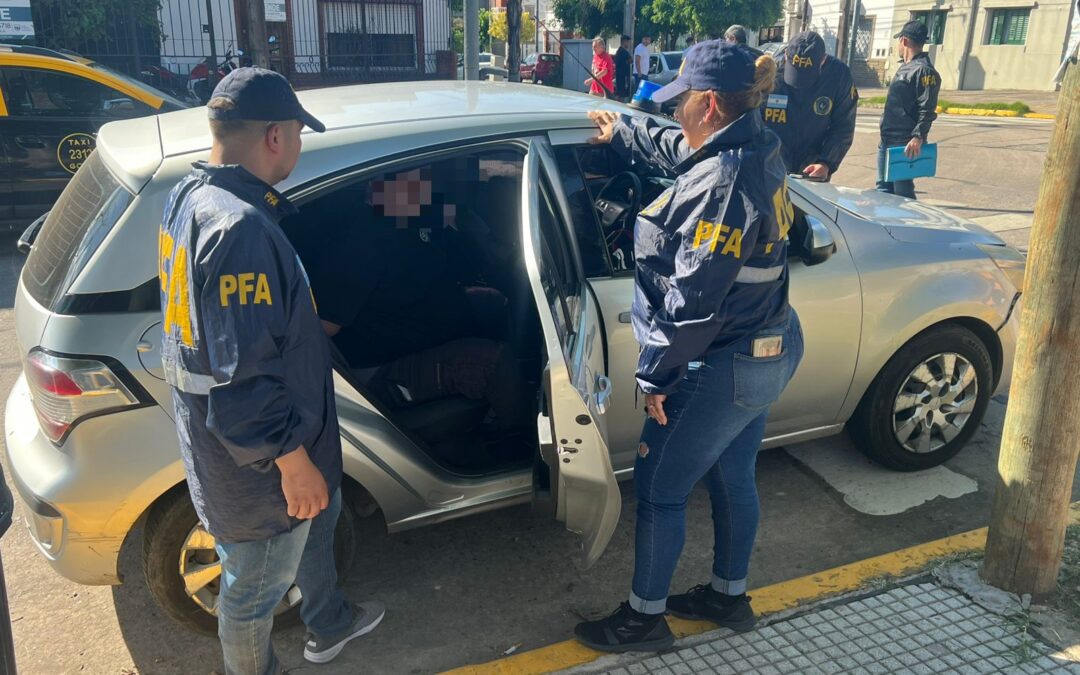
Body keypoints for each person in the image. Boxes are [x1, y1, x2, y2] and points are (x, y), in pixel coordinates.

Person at [573, 40, 804, 653]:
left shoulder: (722, 185)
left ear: (706, 103)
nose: (674, 113)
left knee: (659, 488)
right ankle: (728, 598)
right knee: (733, 475)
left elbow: (691, 303)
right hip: (765, 348)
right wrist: (626, 133)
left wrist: (656, 378)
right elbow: (686, 150)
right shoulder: (754, 146)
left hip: (724, 362)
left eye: (680, 103)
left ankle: (642, 620)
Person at [157, 68, 384, 674]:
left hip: (255, 448)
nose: (301, 147)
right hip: (259, 468)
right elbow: (244, 374)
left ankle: (329, 619)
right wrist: (292, 460)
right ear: (276, 136)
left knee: (315, 521)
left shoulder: (188, 198)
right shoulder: (241, 231)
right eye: (299, 135)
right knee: (252, 595)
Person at [761, 31, 858, 180]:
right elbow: (753, 117)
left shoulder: (838, 76)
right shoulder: (771, 72)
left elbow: (844, 126)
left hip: (813, 169)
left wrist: (826, 162)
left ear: (823, 60)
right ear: (786, 55)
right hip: (771, 167)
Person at [878, 20, 941, 199]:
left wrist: (918, 136)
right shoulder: (907, 67)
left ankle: (910, 226)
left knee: (903, 194)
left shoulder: (924, 71)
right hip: (888, 139)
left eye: (899, 41)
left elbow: (927, 108)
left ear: (904, 41)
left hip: (904, 143)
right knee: (883, 191)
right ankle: (887, 226)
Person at [615, 35, 634, 101]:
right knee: (621, 95)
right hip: (622, 78)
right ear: (624, 42)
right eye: (628, 42)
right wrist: (628, 61)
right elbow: (631, 60)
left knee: (621, 94)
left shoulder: (622, 51)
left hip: (622, 77)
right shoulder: (622, 51)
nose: (629, 44)